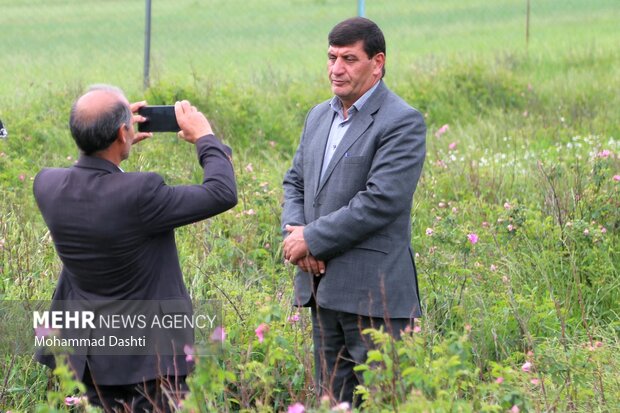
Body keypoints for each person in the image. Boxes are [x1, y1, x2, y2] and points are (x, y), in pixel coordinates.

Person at [33, 85, 237, 411]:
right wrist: (206, 138)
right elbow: (221, 192)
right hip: (148, 363)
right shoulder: (142, 193)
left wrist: (113, 141)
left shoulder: (46, 184)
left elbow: (92, 184)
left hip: (87, 355)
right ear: (122, 132)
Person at [281, 17, 426, 405]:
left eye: (349, 58)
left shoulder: (401, 122)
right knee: (331, 400)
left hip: (373, 297)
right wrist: (295, 232)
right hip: (322, 290)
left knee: (381, 401)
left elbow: (380, 201)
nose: (336, 69)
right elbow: (295, 182)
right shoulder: (318, 116)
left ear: (377, 63)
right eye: (331, 57)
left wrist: (311, 239)